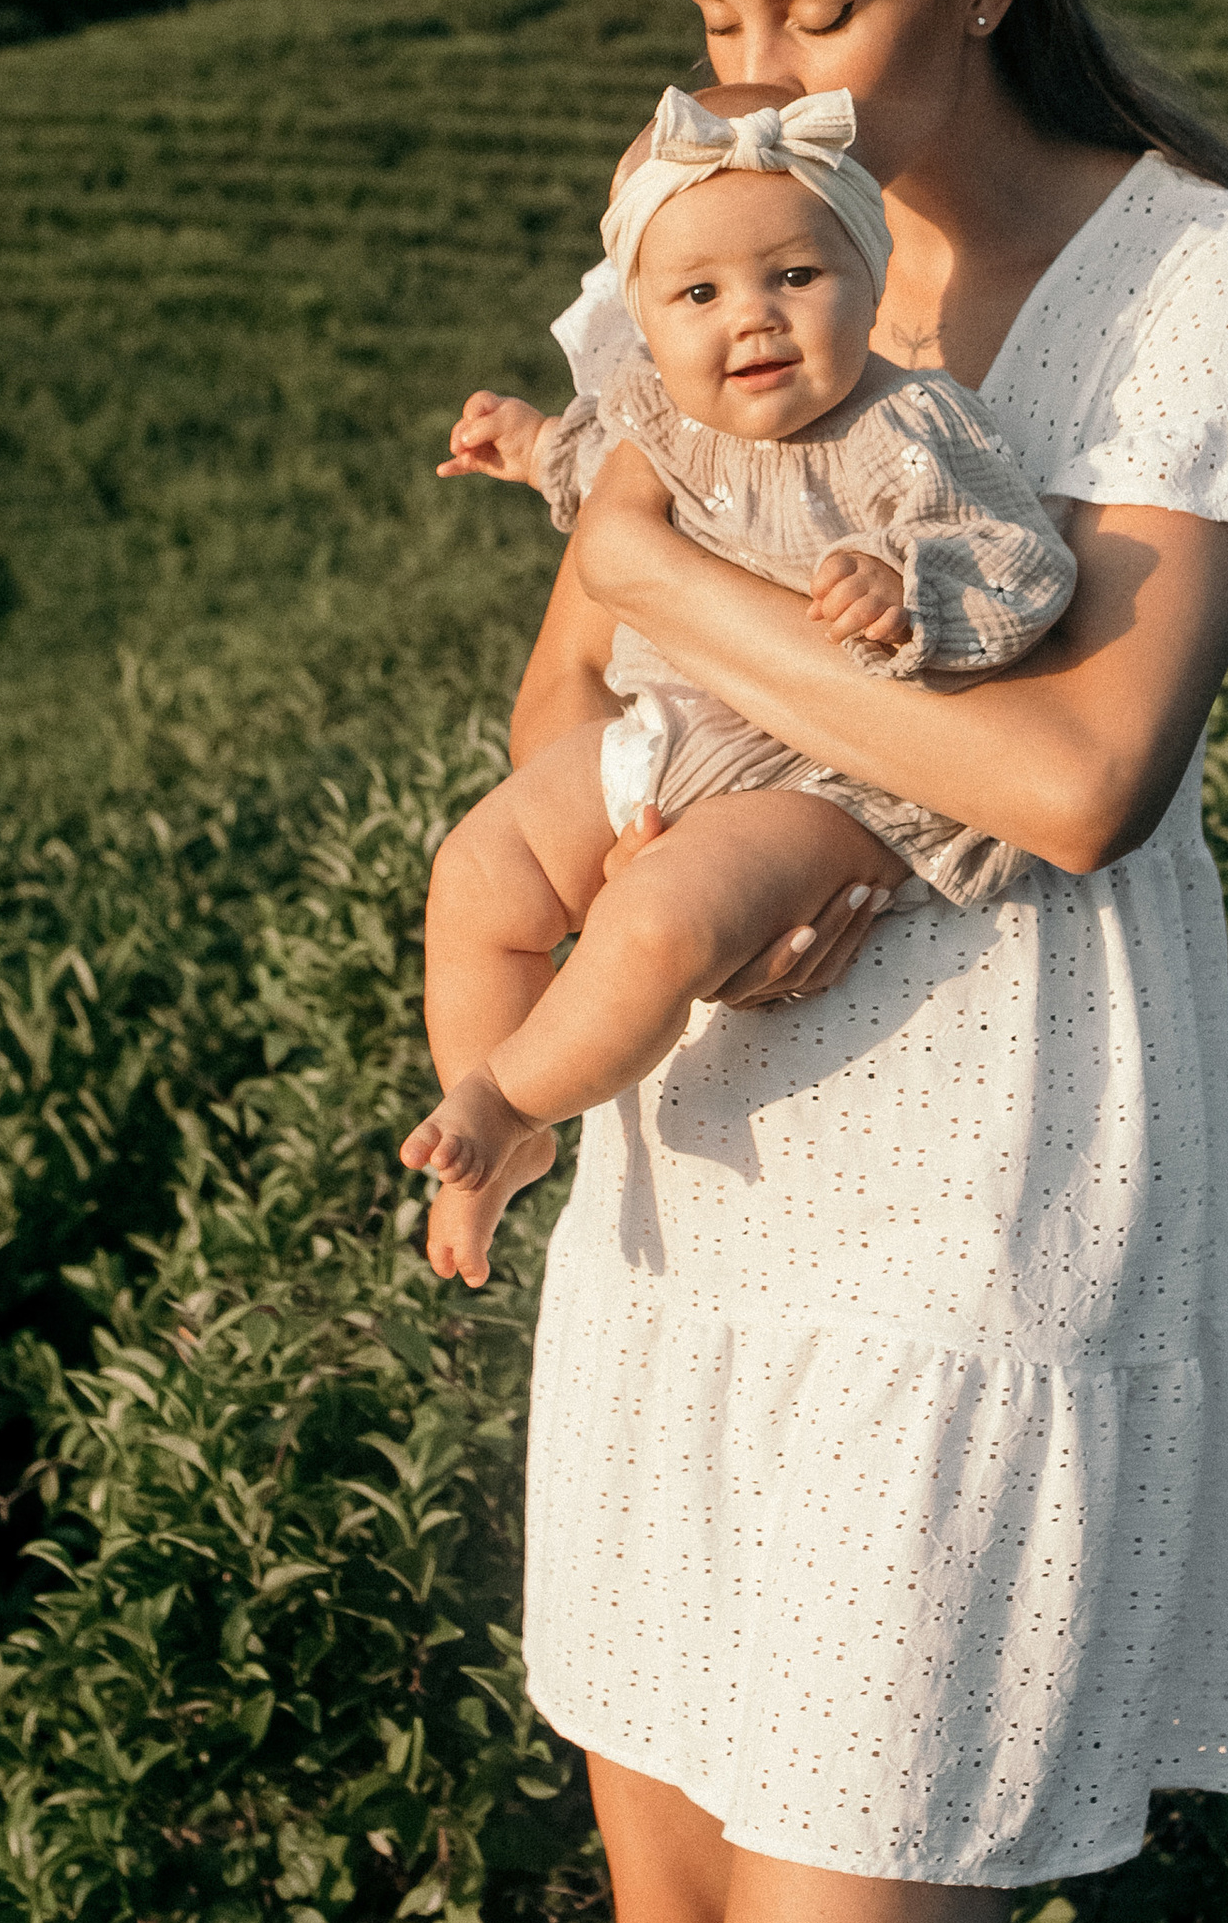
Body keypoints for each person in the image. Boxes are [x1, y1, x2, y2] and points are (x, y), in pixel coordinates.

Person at [430, 0, 1228, 1923]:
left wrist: (688, 612)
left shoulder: (1203, 271)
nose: (756, 79)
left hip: (967, 1221)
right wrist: (695, 756)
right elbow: (569, 707)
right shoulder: (688, 244)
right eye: (717, 22)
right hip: (691, 1206)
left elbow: (1088, 771)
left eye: (813, 15)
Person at [405, 80, 1077, 1285]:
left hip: (824, 773)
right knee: (476, 874)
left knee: (659, 917)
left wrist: (908, 590)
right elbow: (596, 457)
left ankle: (508, 1104)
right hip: (670, 731)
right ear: (645, 323)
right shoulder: (665, 417)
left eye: (796, 278)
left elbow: (1020, 564)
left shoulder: (911, 426)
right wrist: (528, 448)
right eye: (700, 295)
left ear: (870, 279)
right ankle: (491, 1112)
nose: (753, 320)